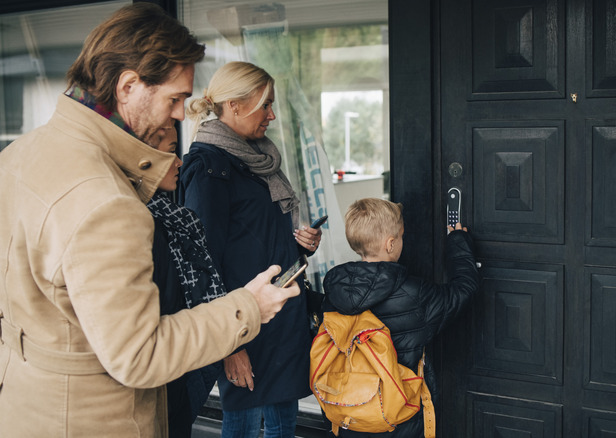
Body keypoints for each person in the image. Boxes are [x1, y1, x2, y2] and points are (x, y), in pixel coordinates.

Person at [0, 5, 299, 437]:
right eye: (174, 98)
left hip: (27, 407)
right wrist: (247, 308)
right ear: (128, 86)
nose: (182, 114)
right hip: (94, 419)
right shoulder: (106, 200)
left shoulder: (16, 157)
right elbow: (140, 354)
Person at [180, 61, 321, 438]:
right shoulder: (208, 166)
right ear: (236, 105)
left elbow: (253, 234)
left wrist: (299, 240)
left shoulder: (256, 158)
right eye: (266, 105)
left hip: (281, 317)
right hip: (244, 324)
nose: (272, 116)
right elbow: (201, 261)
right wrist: (228, 344)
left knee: (283, 427)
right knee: (243, 426)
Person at [321, 198, 479, 438]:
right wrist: (458, 242)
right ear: (391, 244)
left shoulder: (335, 293)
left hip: (349, 412)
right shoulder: (415, 294)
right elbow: (463, 290)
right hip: (397, 418)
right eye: (402, 236)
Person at [147, 127, 227, 437]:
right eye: (170, 153)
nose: (179, 162)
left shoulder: (176, 219)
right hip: (163, 374)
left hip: (182, 368)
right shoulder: (147, 227)